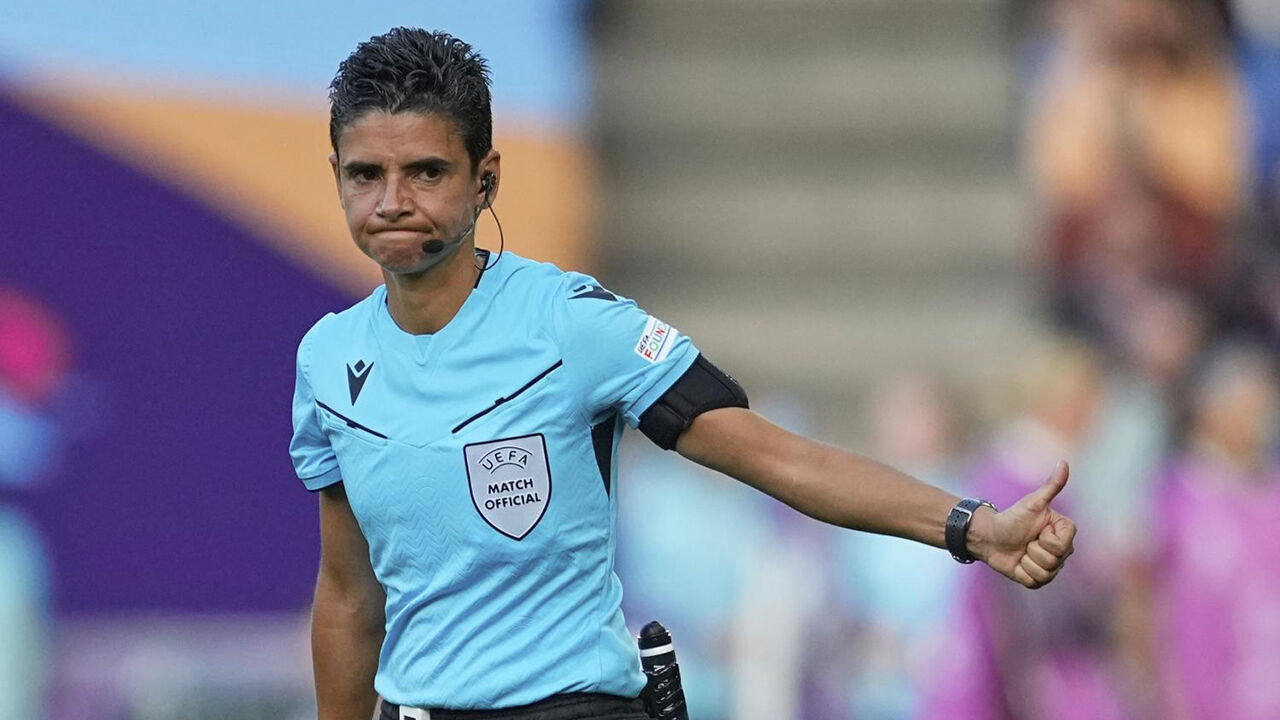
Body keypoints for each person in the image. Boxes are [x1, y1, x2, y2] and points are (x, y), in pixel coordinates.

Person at [290, 28, 1078, 720]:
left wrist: (973, 527)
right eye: (365, 174)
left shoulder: (573, 324)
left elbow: (782, 458)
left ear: (486, 178)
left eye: (427, 172)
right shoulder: (327, 360)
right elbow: (350, 597)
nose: (391, 201)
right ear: (335, 175)